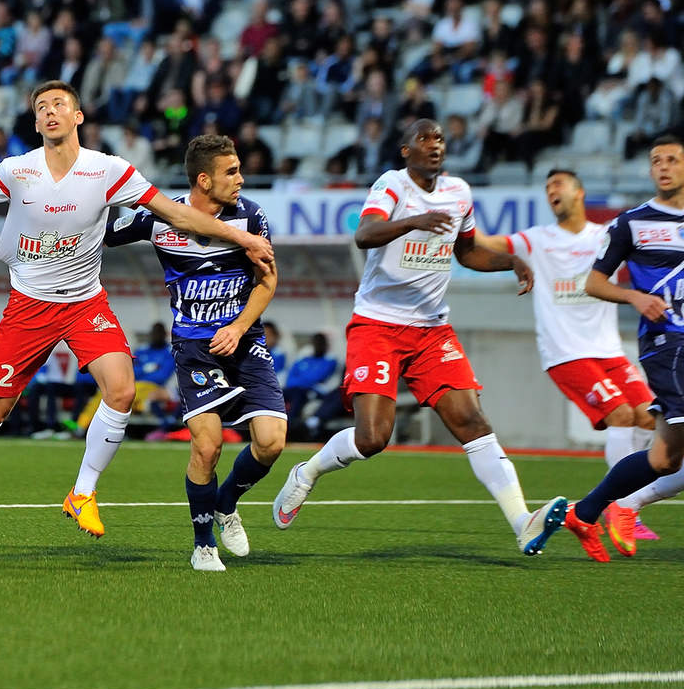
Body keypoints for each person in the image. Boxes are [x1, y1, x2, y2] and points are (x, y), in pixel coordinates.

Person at [0, 80, 274, 540]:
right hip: (29, 304)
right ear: (35, 122)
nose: (50, 111)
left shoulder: (108, 170)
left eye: (59, 104)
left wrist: (243, 237)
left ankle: (82, 493)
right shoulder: (17, 170)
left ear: (78, 116)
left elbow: (177, 214)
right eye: (42, 107)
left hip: (85, 303)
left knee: (122, 390)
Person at [271, 118, 570, 556]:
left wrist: (511, 261)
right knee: (372, 438)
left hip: (431, 330)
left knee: (473, 423)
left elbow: (467, 252)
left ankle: (522, 523)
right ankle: (307, 472)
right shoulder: (392, 185)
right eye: (424, 139)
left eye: (440, 139)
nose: (435, 145)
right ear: (406, 150)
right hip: (377, 325)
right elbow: (364, 234)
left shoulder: (459, 192)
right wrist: (415, 220)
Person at [106, 134, 288, 571]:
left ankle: (226, 502)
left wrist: (238, 327)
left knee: (271, 443)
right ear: (204, 180)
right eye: (232, 172)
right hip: (194, 347)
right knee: (207, 447)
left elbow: (268, 281)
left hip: (244, 341)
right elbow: (105, 234)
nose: (241, 179)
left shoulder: (252, 217)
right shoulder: (158, 218)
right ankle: (203, 545)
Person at [476, 170, 661, 558]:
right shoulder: (537, 239)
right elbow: (485, 242)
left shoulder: (605, 235)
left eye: (558, 184)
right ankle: (618, 507)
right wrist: (458, 216)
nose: (551, 191)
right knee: (621, 415)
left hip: (609, 350)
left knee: (649, 416)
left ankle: (622, 505)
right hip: (566, 352)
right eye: (547, 187)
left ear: (579, 192)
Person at [562, 136, 684, 562]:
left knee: (665, 459)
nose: (663, 166)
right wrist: (634, 296)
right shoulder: (632, 223)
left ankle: (588, 512)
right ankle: (621, 507)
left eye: (672, 159)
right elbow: (594, 282)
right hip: (669, 345)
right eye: (656, 160)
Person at [281, 332, 338, 428]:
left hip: (313, 390)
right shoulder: (304, 359)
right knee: (274, 395)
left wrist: (301, 380)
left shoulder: (330, 361)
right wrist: (302, 381)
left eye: (321, 342)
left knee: (297, 397)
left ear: (326, 345)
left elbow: (317, 377)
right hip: (294, 388)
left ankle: (288, 426)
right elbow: (290, 377)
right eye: (316, 342)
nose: (318, 345)